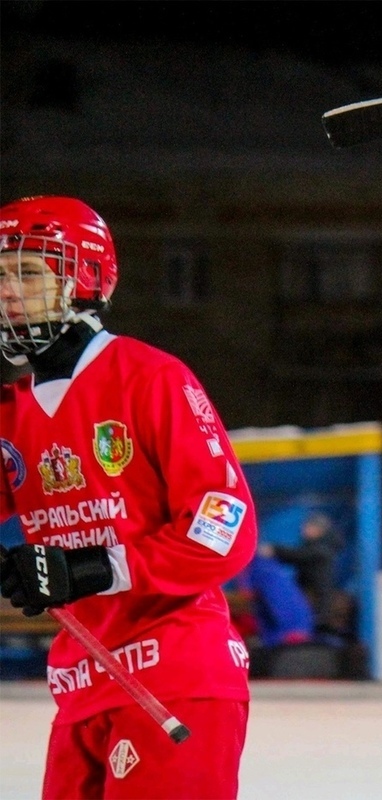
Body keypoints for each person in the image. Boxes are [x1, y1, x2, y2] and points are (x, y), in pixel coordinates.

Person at [0, 196, 257, 799]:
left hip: (174, 677)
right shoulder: (12, 411)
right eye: (1, 274)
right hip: (81, 686)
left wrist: (90, 569)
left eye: (29, 272)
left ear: (84, 277)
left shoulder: (150, 377)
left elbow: (225, 524)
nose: (9, 291)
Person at [258, 511, 345, 642]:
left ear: (319, 530)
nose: (303, 530)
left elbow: (299, 555)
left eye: (308, 527)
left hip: (320, 606)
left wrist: (274, 550)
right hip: (314, 604)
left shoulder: (322, 549)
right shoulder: (318, 546)